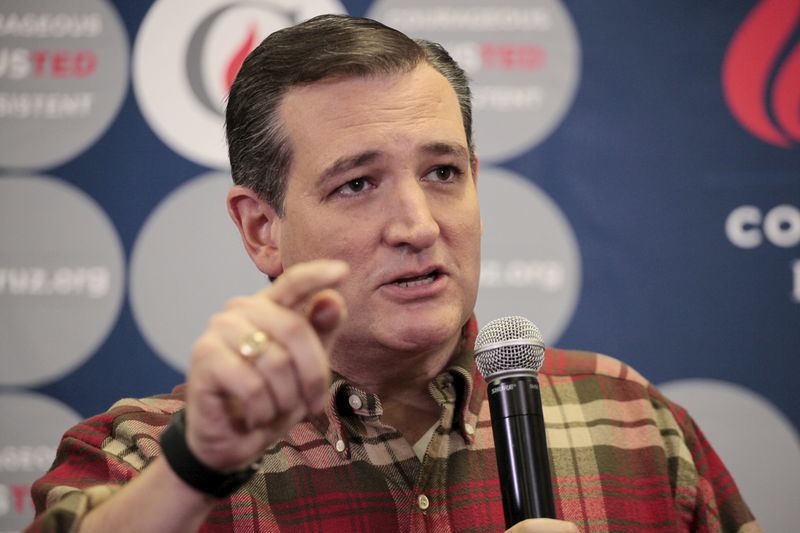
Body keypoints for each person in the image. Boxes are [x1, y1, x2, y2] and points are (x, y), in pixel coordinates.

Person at [27, 14, 760, 533]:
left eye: (442, 172)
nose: (417, 224)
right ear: (261, 228)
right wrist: (198, 466)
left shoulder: (630, 421)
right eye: (357, 184)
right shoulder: (149, 453)